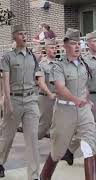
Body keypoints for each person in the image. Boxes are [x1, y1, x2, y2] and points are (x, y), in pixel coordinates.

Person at [40, 28, 96, 180]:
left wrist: (86, 98)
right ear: (65, 46)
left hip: (83, 111)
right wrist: (76, 100)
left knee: (89, 147)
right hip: (64, 111)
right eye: (73, 43)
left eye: (79, 43)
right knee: (57, 151)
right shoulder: (59, 66)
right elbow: (60, 87)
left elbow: (84, 84)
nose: (77, 46)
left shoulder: (83, 64)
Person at [67, 31, 96, 170]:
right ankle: (70, 150)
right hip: (91, 98)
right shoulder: (83, 61)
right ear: (88, 44)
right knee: (89, 130)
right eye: (94, 41)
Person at [0, 24, 42, 180]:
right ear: (14, 37)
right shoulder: (7, 57)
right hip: (14, 99)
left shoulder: (33, 56)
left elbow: (38, 76)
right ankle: (0, 162)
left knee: (32, 139)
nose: (24, 36)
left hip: (31, 100)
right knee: (7, 136)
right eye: (20, 34)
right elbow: (5, 81)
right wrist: (8, 104)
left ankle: (34, 176)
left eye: (25, 33)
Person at [37, 39, 58, 140]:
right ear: (46, 50)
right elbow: (41, 82)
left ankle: (57, 151)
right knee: (44, 124)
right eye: (52, 48)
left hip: (58, 97)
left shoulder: (59, 64)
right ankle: (33, 141)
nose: (55, 50)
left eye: (55, 48)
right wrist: (49, 93)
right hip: (46, 98)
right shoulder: (42, 64)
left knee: (58, 124)